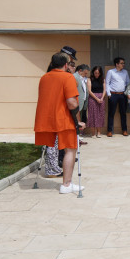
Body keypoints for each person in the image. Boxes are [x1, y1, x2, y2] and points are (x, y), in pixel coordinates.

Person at [34, 52, 85, 194]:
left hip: (46, 119)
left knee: (52, 147)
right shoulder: (68, 77)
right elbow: (71, 103)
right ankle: (67, 184)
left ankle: (63, 179)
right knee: (70, 149)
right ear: (65, 64)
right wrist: (78, 120)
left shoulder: (44, 77)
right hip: (63, 119)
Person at [43, 46, 77, 178]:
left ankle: (60, 162)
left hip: (58, 108)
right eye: (70, 60)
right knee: (53, 142)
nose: (71, 62)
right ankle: (52, 167)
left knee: (58, 143)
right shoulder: (55, 70)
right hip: (56, 109)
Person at [105, 57, 130, 137]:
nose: (123, 64)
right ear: (117, 64)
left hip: (122, 94)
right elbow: (107, 83)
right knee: (111, 113)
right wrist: (109, 94)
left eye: (123, 63)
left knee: (123, 113)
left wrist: (126, 92)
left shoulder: (125, 72)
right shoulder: (111, 72)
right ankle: (109, 131)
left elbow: (128, 83)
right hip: (113, 94)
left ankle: (124, 130)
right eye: (122, 63)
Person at [86, 66, 106, 138]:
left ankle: (99, 132)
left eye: (98, 73)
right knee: (92, 115)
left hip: (101, 98)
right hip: (93, 98)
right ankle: (93, 133)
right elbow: (89, 91)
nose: (97, 74)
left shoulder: (102, 79)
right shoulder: (89, 79)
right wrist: (97, 98)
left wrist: (102, 97)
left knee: (100, 115)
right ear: (93, 72)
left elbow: (104, 90)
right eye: (95, 73)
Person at [73, 64, 90, 145]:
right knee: (76, 121)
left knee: (79, 121)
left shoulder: (82, 78)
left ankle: (78, 139)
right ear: (80, 71)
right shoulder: (74, 77)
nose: (86, 75)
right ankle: (76, 139)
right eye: (85, 73)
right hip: (76, 103)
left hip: (81, 103)